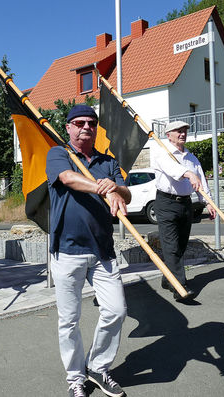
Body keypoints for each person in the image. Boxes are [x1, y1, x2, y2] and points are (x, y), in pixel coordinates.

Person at [46, 105, 130, 397]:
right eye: (79, 123)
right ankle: (75, 378)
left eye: (91, 123)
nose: (86, 127)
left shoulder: (108, 162)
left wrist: (117, 189)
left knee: (117, 310)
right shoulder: (58, 154)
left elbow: (126, 191)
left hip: (102, 251)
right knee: (69, 320)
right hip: (67, 250)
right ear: (69, 127)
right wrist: (102, 189)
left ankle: (97, 366)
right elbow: (68, 179)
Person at [153, 120, 216, 301]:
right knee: (171, 246)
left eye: (184, 131)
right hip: (166, 203)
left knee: (180, 245)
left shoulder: (191, 157)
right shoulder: (161, 152)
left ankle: (168, 278)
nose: (182, 134)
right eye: (178, 131)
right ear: (168, 135)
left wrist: (208, 203)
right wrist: (188, 174)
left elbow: (201, 182)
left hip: (186, 204)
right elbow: (173, 169)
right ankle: (180, 287)